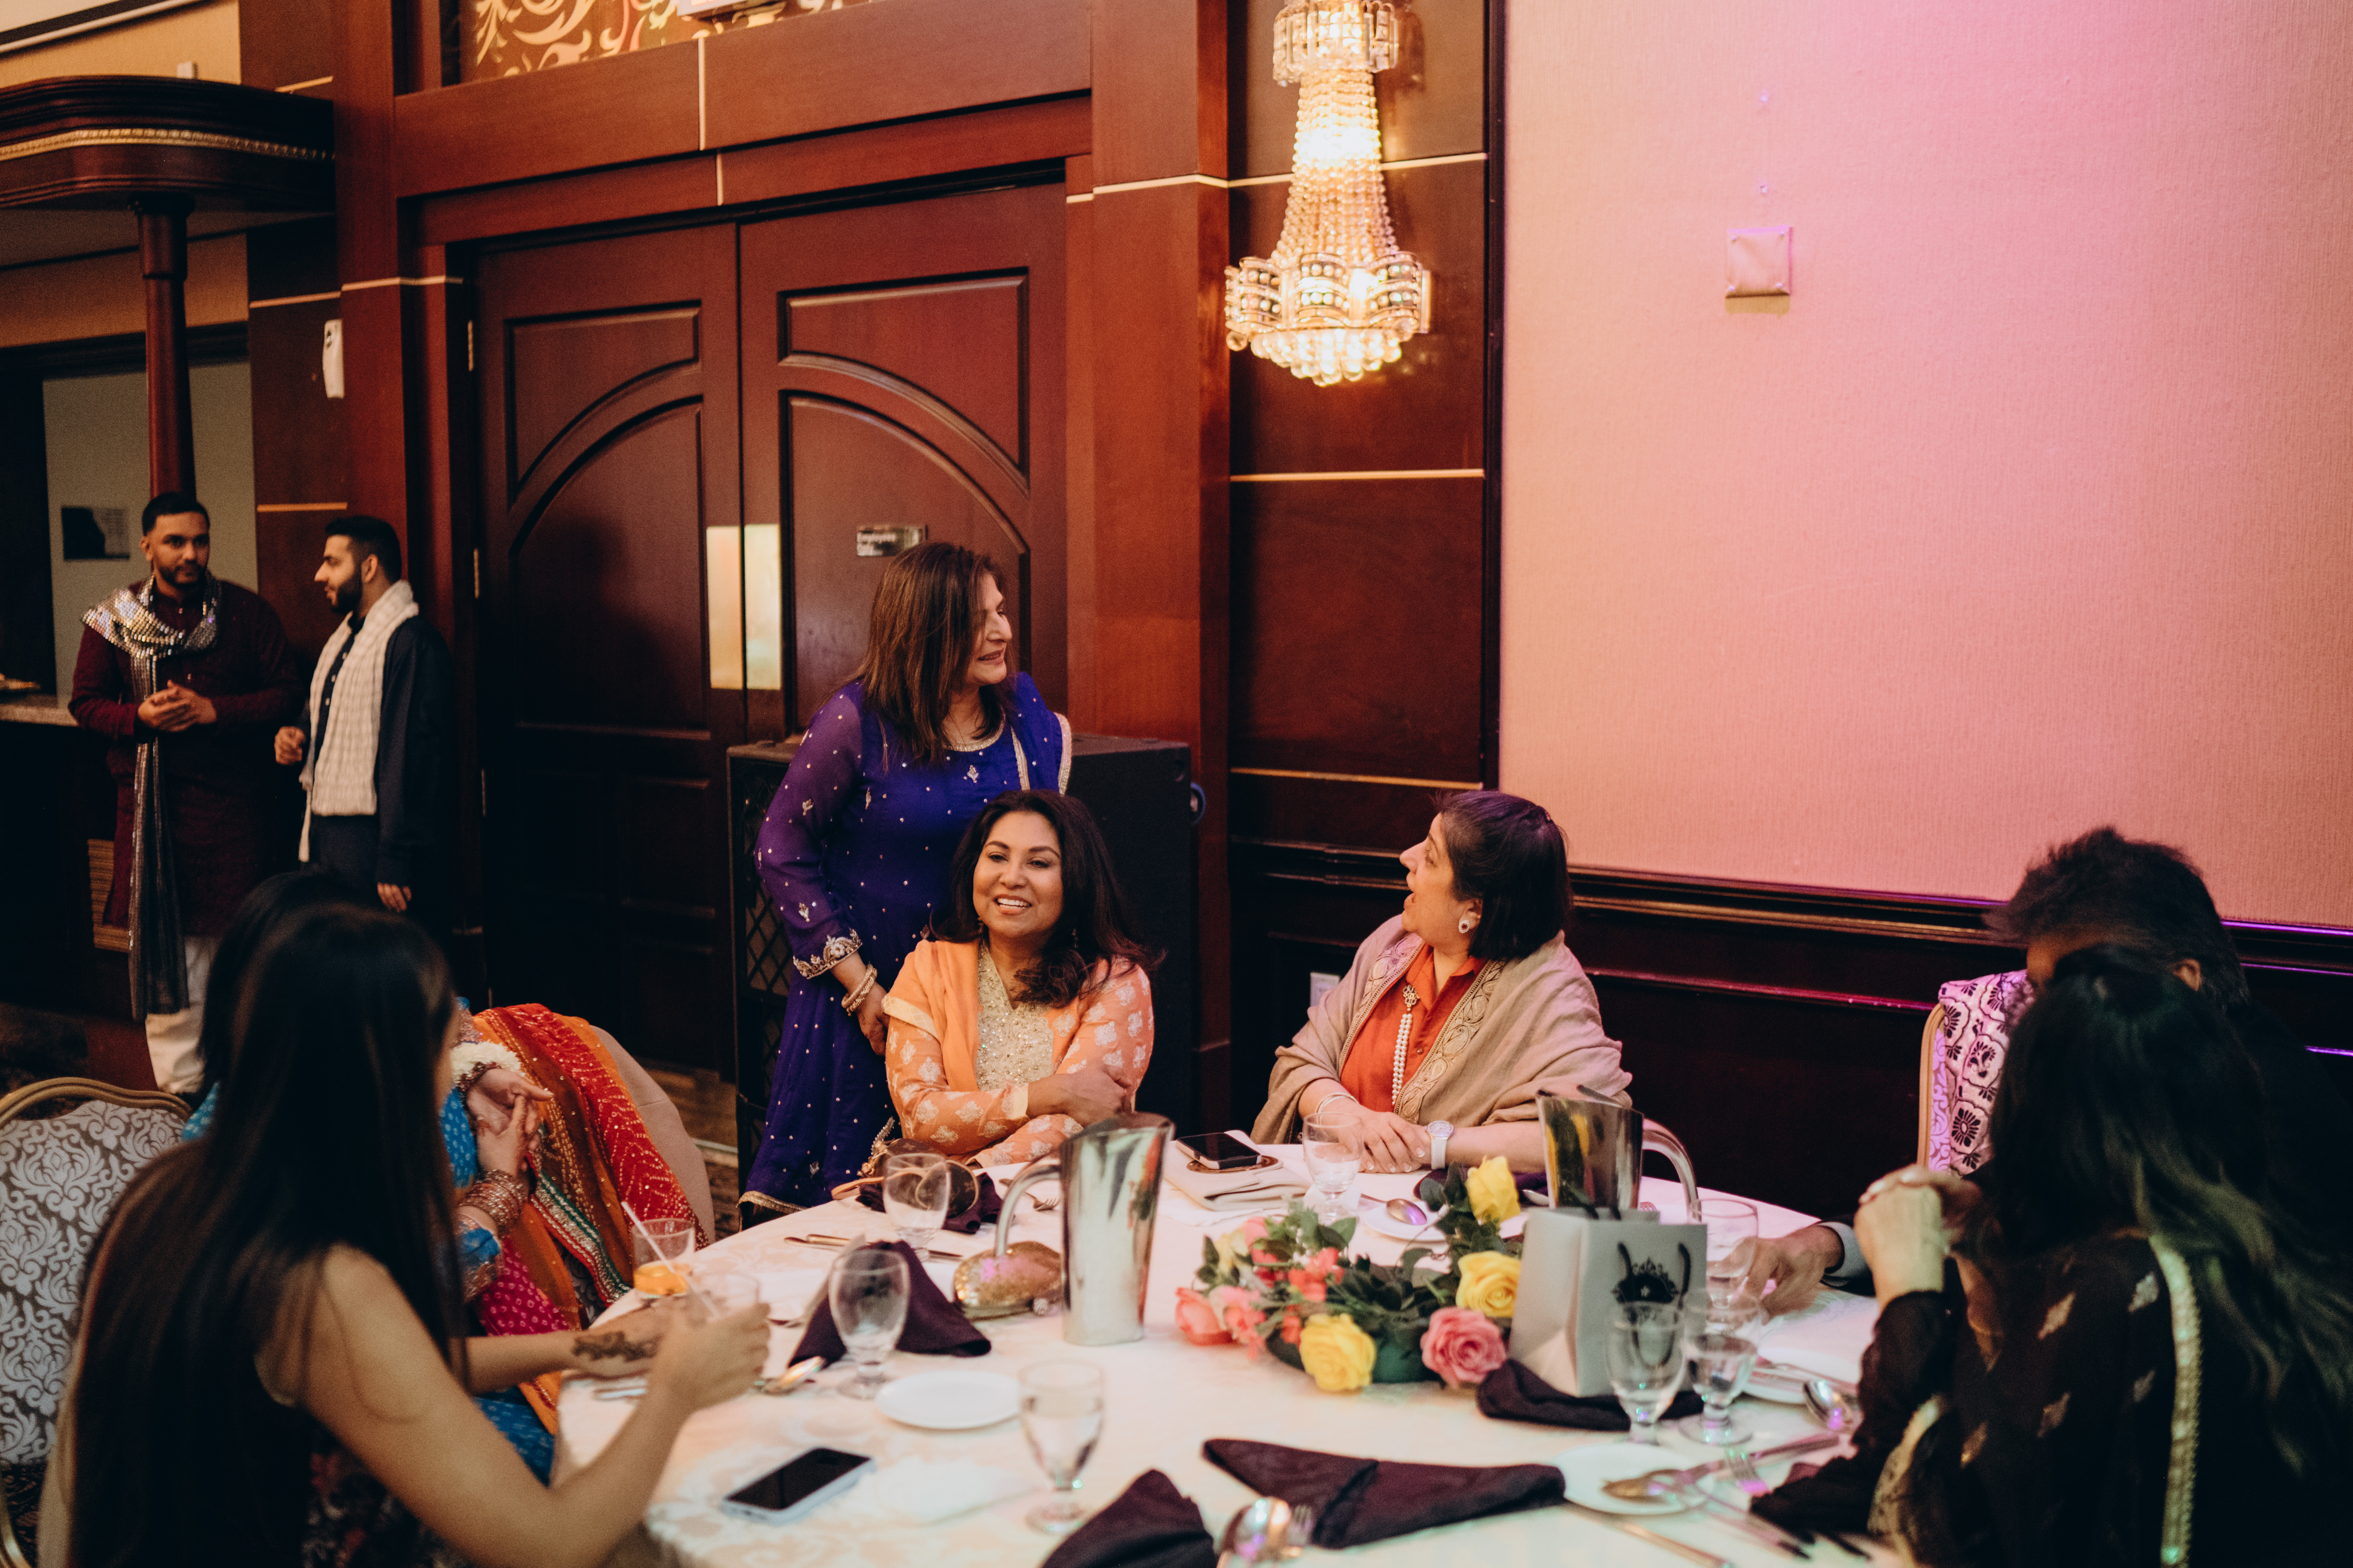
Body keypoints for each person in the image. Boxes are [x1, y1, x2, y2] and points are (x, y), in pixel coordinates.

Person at [45, 905, 769, 1566]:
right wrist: (676, 1388)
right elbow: (550, 1544)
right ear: (382, 1076)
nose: (456, 1076)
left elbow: (391, 1365)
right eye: (445, 1049)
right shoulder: (319, 1278)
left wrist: (586, 1349)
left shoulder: (172, 1189)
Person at [1753, 948, 2353, 1560]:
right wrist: (1984, 1235)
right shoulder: (2253, 1239)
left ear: (2039, 1123)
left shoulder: (2122, 1284)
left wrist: (1908, 1292)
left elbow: (1965, 1523)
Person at [1744, 827, 2353, 1312]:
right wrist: (1828, 1245)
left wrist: (1914, 1294)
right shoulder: (2118, 1080)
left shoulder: (2268, 1112)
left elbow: (2092, 1318)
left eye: (2076, 990)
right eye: (2038, 992)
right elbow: (2003, 1196)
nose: (2041, 1022)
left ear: (2181, 982)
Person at [743, 542, 1070, 1211]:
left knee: (976, 1198)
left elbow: (1052, 841)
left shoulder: (1021, 714)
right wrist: (863, 988)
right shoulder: (857, 721)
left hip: (985, 995)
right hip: (869, 992)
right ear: (926, 628)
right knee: (857, 1207)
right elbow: (780, 847)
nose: (1003, 632)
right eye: (979, 620)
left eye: (1001, 611)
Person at [1252, 791, 1630, 1172]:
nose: (1407, 857)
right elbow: (1301, 1065)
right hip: (1338, 1193)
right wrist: (1351, 1118)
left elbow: (1594, 1134)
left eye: (1430, 857)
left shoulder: (1547, 988)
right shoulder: (1391, 943)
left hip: (1453, 1209)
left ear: (1474, 908)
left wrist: (1430, 1145)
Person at [71, 490, 304, 1093]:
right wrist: (139, 717)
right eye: (175, 542)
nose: (191, 554)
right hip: (156, 819)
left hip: (236, 817)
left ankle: (245, 1096)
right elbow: (85, 704)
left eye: (200, 540)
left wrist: (212, 711)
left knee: (244, 955)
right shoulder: (115, 620)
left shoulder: (248, 614)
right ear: (147, 546)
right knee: (174, 963)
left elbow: (286, 693)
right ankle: (184, 1102)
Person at [883, 791, 1158, 1166]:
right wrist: (1044, 1095)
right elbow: (921, 1116)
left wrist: (976, 1179)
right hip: (939, 1193)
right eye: (997, 857)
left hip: (1056, 1192)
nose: (1011, 878)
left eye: (1039, 863)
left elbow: (1078, 1119)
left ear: (1077, 878)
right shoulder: (928, 968)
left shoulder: (1115, 982)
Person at [274, 516, 455, 936]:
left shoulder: (411, 641)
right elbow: (325, 712)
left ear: (370, 567)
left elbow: (409, 756)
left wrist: (396, 856)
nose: (320, 575)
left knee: (373, 956)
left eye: (332, 562)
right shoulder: (346, 638)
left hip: (371, 843)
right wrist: (298, 734)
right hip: (325, 834)